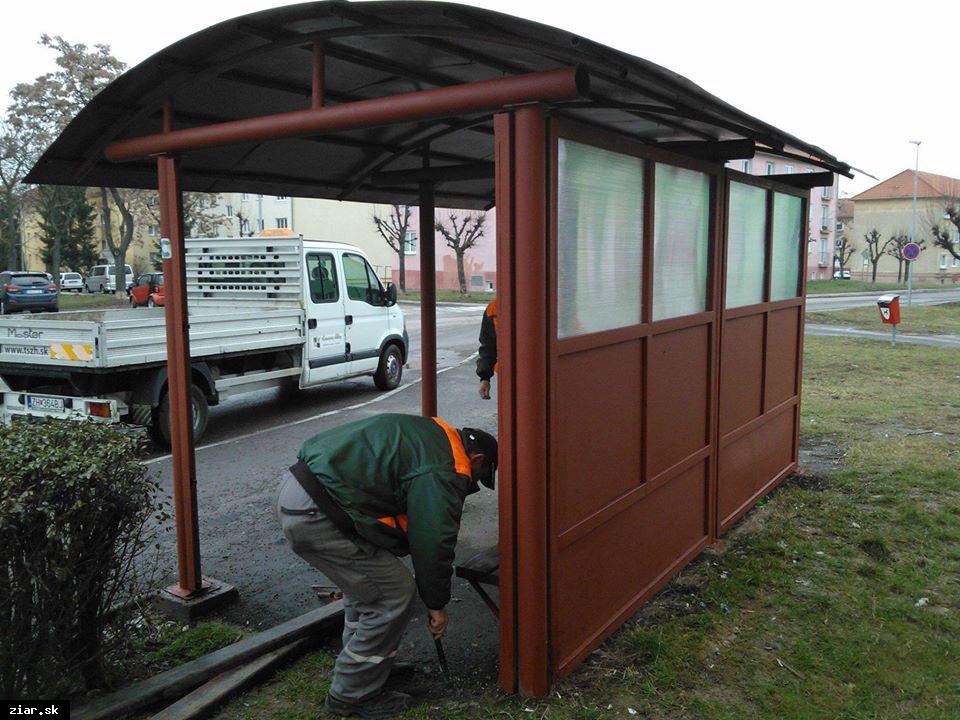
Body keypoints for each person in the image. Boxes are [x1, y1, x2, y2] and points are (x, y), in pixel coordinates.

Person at [277, 413, 498, 718]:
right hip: (319, 512)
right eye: (480, 474)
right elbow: (433, 540)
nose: (472, 483)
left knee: (370, 588)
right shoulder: (447, 467)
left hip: (301, 493)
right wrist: (436, 604)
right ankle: (351, 695)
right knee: (393, 593)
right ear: (478, 458)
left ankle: (370, 667)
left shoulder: (433, 437)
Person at [476, 299, 497, 400]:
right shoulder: (493, 309)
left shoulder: (493, 309)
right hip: (508, 375)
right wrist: (485, 378)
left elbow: (488, 346)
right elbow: (488, 346)